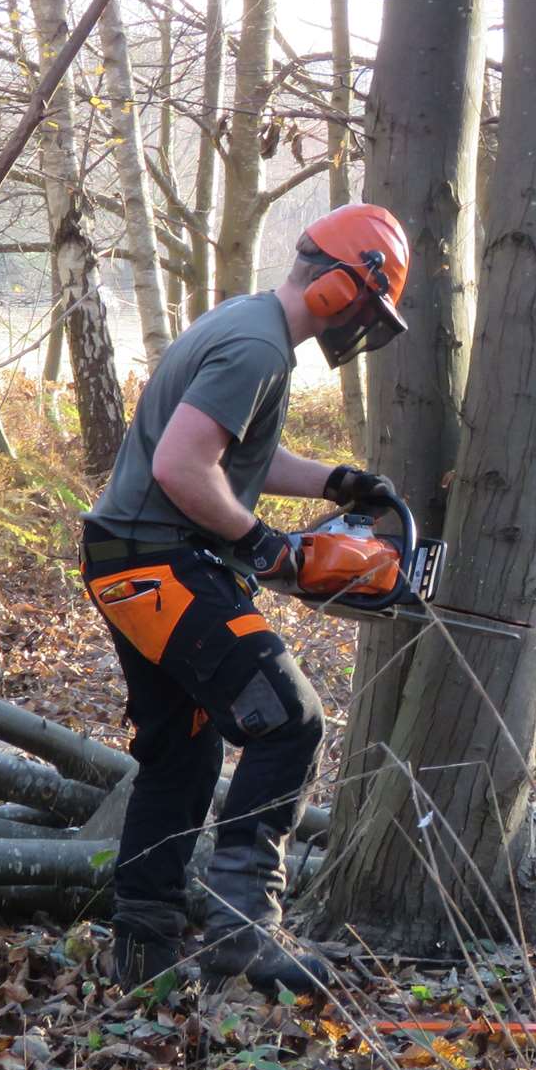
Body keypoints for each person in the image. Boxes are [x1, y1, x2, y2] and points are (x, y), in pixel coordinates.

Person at [79, 204, 410, 996]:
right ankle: (243, 932)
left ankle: (143, 951)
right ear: (337, 286)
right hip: (161, 563)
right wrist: (268, 548)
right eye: (365, 303)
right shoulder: (259, 347)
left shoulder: (250, 327)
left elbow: (233, 456)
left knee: (183, 752)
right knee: (288, 719)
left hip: (131, 557)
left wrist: (333, 482)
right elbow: (184, 470)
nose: (362, 321)